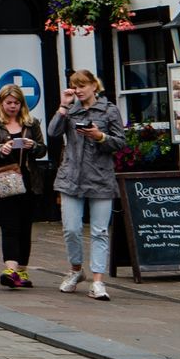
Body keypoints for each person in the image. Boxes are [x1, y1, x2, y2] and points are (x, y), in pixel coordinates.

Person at [49, 69, 127, 299]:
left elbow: (120, 142)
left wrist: (100, 137)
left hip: (101, 177)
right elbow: (53, 132)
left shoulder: (109, 110)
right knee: (71, 228)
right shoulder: (70, 111)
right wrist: (63, 106)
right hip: (71, 177)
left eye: (83, 85)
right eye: (75, 86)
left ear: (94, 86)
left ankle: (98, 281)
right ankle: (75, 271)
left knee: (100, 231)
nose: (79, 90)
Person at [0, 84, 47, 291]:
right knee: (9, 226)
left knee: (25, 226)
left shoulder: (31, 123)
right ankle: (10, 269)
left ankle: (22, 270)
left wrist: (32, 146)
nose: (12, 106)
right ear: (1, 103)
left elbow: (42, 149)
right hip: (3, 179)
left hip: (28, 180)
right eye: (8, 103)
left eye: (16, 103)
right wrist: (1, 149)